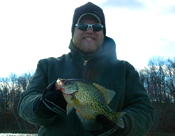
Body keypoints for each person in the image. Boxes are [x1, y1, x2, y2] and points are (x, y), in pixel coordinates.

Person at [18, 2, 154, 136]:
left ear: (103, 32)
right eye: (82, 26)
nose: (89, 31)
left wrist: (120, 127)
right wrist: (42, 105)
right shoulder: (47, 65)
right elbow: (24, 104)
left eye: (96, 26)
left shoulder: (125, 70)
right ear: (73, 31)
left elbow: (144, 111)